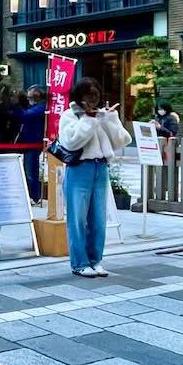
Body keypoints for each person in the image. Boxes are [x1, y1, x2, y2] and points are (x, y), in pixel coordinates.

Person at [58, 77, 132, 279]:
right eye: (88, 94)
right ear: (79, 96)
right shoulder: (70, 115)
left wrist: (111, 119)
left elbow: (122, 141)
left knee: (98, 218)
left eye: (96, 94)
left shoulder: (101, 115)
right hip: (79, 169)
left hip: (101, 168)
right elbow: (71, 142)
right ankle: (79, 263)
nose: (93, 98)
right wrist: (88, 119)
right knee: (77, 218)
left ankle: (95, 260)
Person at [14, 85, 47, 205]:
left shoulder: (40, 108)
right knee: (29, 170)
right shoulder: (36, 107)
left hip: (33, 143)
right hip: (29, 143)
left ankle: (34, 196)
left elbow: (25, 116)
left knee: (31, 172)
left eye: (30, 95)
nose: (28, 98)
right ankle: (32, 195)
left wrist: (16, 105)